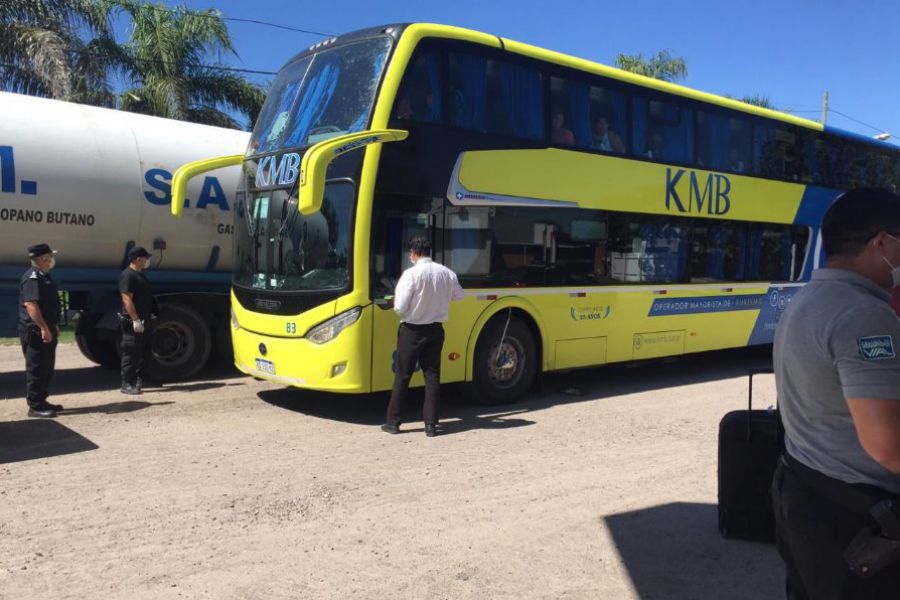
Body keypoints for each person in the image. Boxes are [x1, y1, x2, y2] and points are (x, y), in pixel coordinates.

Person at [771, 187, 900, 599]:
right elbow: (888, 448)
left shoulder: (806, 298)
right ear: (881, 242)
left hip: (802, 492)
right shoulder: (864, 314)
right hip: (854, 519)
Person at [381, 237, 464, 437]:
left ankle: (393, 422)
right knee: (432, 375)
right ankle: (431, 425)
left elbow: (400, 307)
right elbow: (460, 295)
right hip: (436, 330)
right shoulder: (446, 272)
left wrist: (395, 303)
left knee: (403, 375)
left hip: (412, 330)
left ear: (413, 253)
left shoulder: (410, 274)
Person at [18, 243, 62, 418]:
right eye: (50, 257)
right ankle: (35, 406)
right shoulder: (32, 277)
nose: (52, 260)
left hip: (46, 329)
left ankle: (42, 400)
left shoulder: (44, 276)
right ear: (43, 258)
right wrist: (43, 328)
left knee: (46, 367)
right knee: (37, 368)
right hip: (36, 331)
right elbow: (31, 304)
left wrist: (52, 325)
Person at [119, 246, 155, 395]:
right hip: (133, 320)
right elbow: (127, 299)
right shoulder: (128, 275)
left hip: (144, 319)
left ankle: (137, 379)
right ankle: (126, 383)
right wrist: (135, 320)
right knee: (131, 351)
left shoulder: (140, 274)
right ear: (138, 259)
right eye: (145, 257)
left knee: (141, 351)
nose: (147, 260)